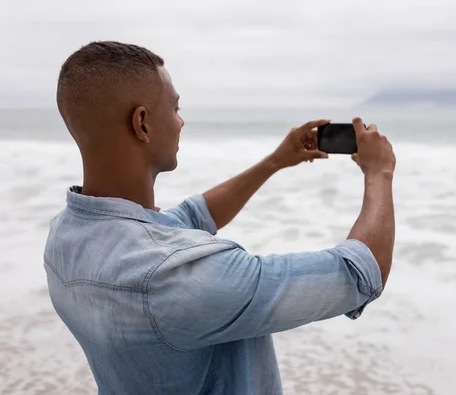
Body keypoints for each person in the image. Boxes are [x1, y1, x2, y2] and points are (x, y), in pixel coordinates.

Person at [44, 41, 396, 395]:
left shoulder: (64, 237)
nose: (181, 122)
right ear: (142, 123)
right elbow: (361, 272)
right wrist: (379, 172)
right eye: (175, 108)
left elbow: (191, 216)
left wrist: (276, 161)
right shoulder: (176, 279)